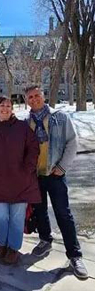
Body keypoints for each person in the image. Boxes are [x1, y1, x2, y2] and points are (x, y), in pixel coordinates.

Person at [25, 85, 88, 279]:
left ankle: (75, 255)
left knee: (63, 213)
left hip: (55, 173)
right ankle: (45, 240)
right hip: (36, 175)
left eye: (37, 95)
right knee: (40, 211)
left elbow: (72, 142)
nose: (34, 99)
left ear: (42, 95)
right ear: (26, 100)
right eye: (30, 97)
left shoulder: (59, 117)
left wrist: (62, 167)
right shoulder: (26, 122)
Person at [0, 96, 41, 265]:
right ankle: (2, 244)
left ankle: (13, 247)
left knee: (17, 217)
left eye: (8, 106)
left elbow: (33, 148)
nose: (5, 109)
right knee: (0, 216)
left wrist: (28, 169)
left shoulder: (22, 127)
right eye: (2, 105)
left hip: (20, 180)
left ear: (12, 109)